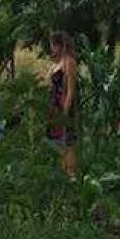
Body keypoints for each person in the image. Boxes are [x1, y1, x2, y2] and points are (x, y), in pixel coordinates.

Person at [46, 31, 79, 180]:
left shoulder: (68, 62)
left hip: (63, 104)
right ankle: (63, 172)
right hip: (53, 105)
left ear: (59, 45)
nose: (51, 48)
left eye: (53, 45)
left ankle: (71, 174)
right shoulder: (55, 64)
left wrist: (65, 111)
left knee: (68, 141)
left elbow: (71, 89)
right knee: (57, 142)